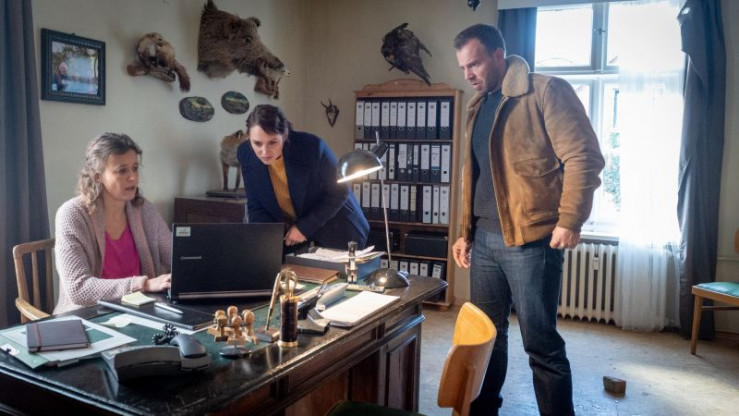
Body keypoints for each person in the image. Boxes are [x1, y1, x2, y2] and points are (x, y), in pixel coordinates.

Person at [452, 24, 605, 416]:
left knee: (541, 345)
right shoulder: (477, 105)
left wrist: (570, 219)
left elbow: (584, 156)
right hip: (484, 241)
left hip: (532, 241)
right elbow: (477, 176)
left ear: (498, 55)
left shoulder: (546, 91)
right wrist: (465, 232)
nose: (468, 74)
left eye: (475, 64)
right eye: (463, 67)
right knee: (485, 339)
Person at [54, 133, 172, 314]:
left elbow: (176, 256)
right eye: (122, 170)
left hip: (142, 312)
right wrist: (144, 284)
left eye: (135, 168)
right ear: (98, 176)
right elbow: (78, 289)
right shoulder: (72, 214)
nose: (132, 177)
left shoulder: (144, 210)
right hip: (89, 316)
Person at [237, 104, 369, 252]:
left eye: (272, 142)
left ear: (285, 134)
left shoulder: (311, 147)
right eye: (257, 143)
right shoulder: (245, 154)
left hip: (338, 229)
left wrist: (304, 228)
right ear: (249, 138)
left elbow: (340, 192)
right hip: (292, 236)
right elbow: (256, 205)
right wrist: (264, 242)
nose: (264, 151)